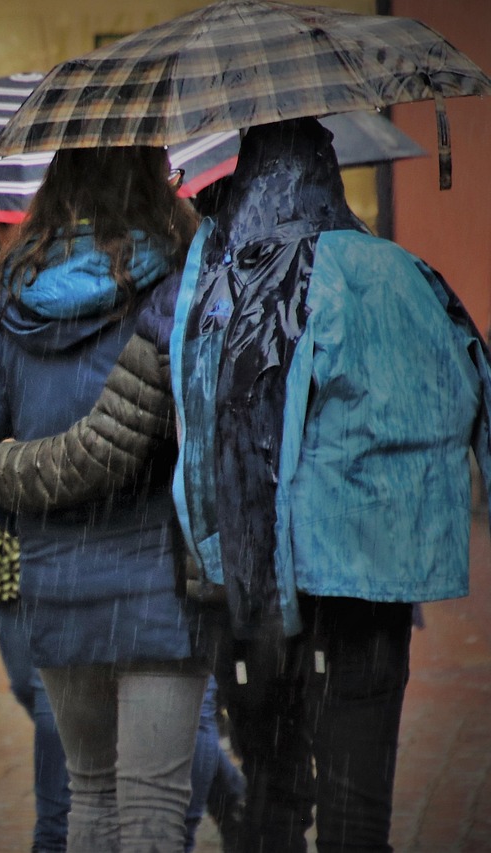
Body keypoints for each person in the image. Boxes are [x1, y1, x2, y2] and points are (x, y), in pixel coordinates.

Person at [168, 117, 491, 852]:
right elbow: (469, 380)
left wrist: (233, 575)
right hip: (387, 572)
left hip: (286, 578)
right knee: (359, 786)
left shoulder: (264, 277)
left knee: (277, 780)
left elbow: (239, 433)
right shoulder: (406, 271)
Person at [0, 145, 208, 853]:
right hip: (164, 580)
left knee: (89, 793)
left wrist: (41, 521)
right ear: (150, 181)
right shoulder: (184, 282)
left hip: (57, 586)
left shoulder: (2, 296)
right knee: (155, 803)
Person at [0, 221, 72, 853]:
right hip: (10, 519)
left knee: (61, 699)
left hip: (71, 508)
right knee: (32, 686)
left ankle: (220, 789)